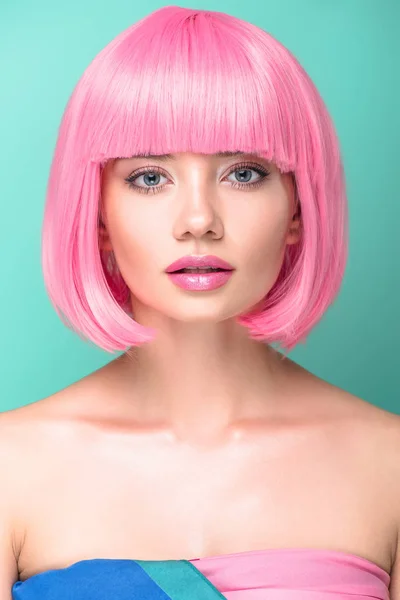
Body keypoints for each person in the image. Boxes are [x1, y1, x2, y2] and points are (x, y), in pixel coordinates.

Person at [1, 4, 399, 599]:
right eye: (148, 177)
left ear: (297, 209)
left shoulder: (388, 466)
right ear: (99, 217)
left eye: (243, 173)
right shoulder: (11, 466)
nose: (198, 221)